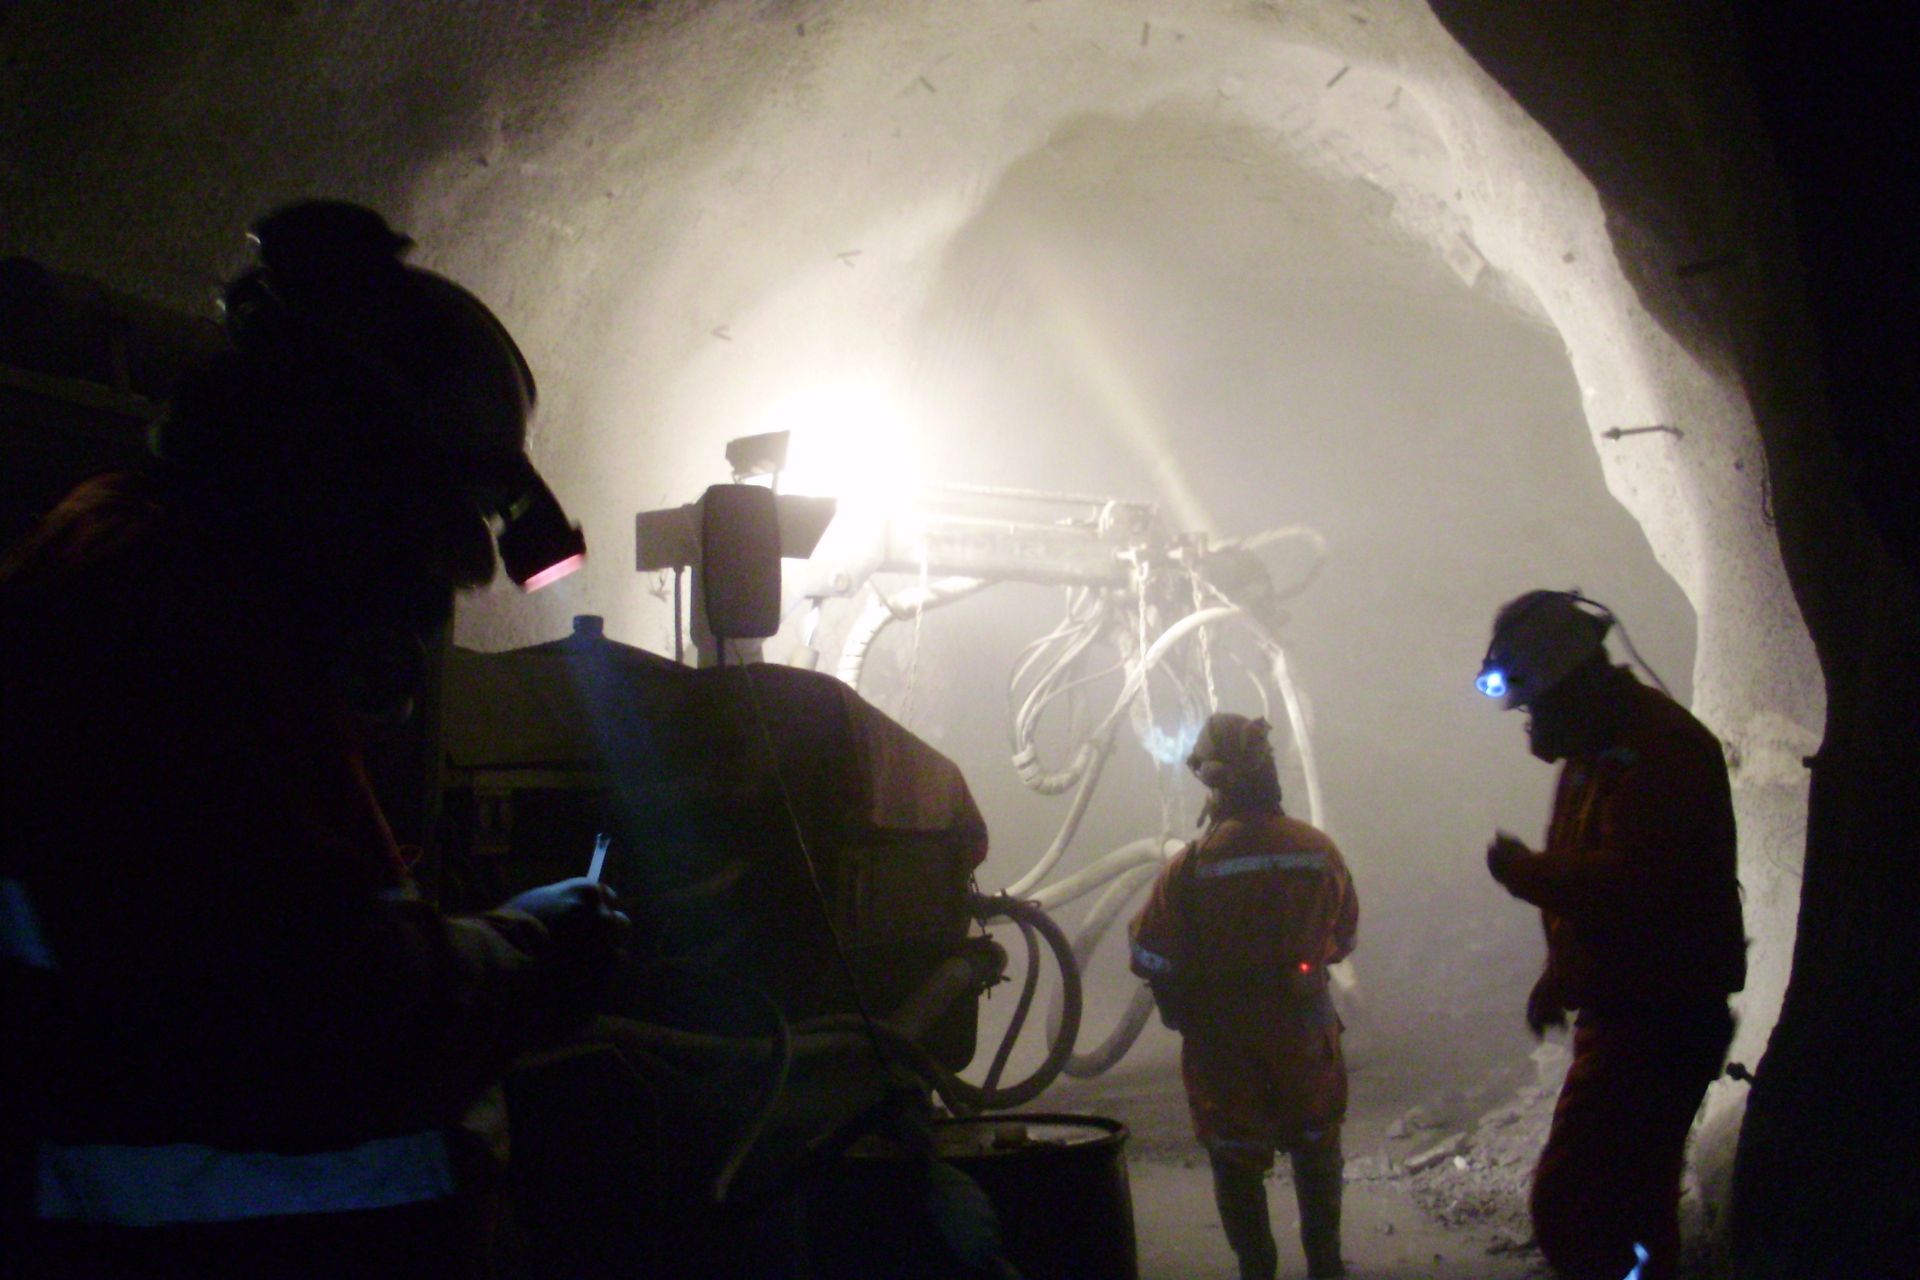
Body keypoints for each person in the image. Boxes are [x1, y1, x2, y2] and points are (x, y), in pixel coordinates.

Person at [0, 202, 625, 1278]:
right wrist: (523, 956)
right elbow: (307, 1015)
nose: (407, 594)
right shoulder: (167, 620)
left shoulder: (157, 583)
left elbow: (276, 935)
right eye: (405, 539)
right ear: (330, 466)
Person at [1476, 590, 1746, 1280]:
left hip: (1660, 1017)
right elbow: (1599, 897)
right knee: (1631, 1201)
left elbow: (1631, 884)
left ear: (1575, 683)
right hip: (1631, 1011)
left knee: (1574, 1204)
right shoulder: (1599, 752)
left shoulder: (1661, 752)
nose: (1532, 722)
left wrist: (1526, 874)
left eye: (1537, 705)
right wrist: (1558, 977)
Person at [1129, 712, 1358, 1280]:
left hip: (1222, 1038)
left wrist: (1178, 1005)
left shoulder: (1190, 867)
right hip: (1305, 1029)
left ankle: (1257, 1270)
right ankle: (1325, 1266)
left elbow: (1149, 953)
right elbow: (1343, 937)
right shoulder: (1317, 850)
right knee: (1315, 1146)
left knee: (1234, 1157)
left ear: (1213, 784)